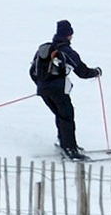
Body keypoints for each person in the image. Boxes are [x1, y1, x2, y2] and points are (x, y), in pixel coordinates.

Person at [29, 20, 102, 160]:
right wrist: (96, 72)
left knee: (60, 115)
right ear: (69, 35)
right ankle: (70, 149)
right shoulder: (67, 51)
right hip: (58, 91)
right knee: (67, 117)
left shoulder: (44, 50)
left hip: (44, 91)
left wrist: (42, 86)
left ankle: (64, 143)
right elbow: (82, 72)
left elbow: (32, 71)